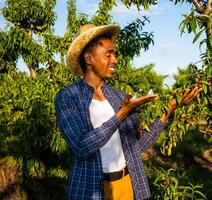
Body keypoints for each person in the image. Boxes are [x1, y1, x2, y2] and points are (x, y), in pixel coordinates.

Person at [55, 24, 202, 200]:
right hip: (91, 188)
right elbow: (81, 147)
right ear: (89, 58)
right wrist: (120, 115)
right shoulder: (68, 96)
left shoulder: (119, 96)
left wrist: (168, 110)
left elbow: (137, 146)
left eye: (115, 54)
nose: (115, 60)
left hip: (127, 184)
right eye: (108, 55)